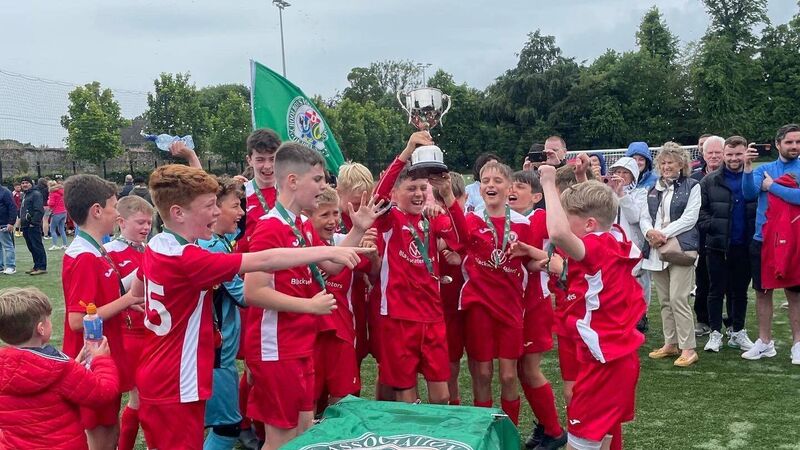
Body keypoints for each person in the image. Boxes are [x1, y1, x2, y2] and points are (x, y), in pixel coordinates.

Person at [133, 162, 368, 450]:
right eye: (209, 206)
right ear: (178, 213)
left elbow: (135, 289)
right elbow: (263, 262)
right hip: (176, 378)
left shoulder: (158, 244)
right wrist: (329, 249)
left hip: (164, 370)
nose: (217, 212)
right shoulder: (187, 258)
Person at [242, 142, 384, 450]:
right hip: (276, 348)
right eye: (318, 180)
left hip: (299, 342)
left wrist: (357, 230)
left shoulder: (302, 224)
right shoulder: (270, 227)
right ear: (293, 181)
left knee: (304, 431)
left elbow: (332, 265)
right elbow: (253, 292)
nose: (324, 186)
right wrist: (310, 305)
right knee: (281, 438)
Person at [530, 164, 645, 450]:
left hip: (603, 362)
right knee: (603, 438)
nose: (566, 224)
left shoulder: (595, 246)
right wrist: (583, 180)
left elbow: (557, 233)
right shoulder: (616, 237)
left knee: (580, 444)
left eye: (571, 219)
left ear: (590, 225)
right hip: (619, 356)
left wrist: (548, 181)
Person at [370, 131, 468, 407]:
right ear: (395, 193)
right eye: (410, 188)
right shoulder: (389, 218)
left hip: (432, 317)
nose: (417, 194)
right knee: (405, 393)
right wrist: (406, 152)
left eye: (422, 188)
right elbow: (378, 194)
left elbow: (462, 242)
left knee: (441, 395)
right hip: (399, 317)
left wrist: (448, 196)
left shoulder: (431, 220)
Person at [61, 174, 144, 449]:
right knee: (102, 435)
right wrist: (129, 297)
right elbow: (76, 320)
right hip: (92, 362)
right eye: (113, 206)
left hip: (105, 356)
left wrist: (127, 294)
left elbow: (99, 299)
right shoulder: (85, 256)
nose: (116, 212)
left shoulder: (96, 250)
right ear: (97, 211)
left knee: (111, 428)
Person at [459, 161, 535, 426]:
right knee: (481, 372)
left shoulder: (524, 223)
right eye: (485, 180)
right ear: (479, 188)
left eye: (497, 181)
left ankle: (508, 431)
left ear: (509, 187)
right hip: (478, 304)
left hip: (511, 306)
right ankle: (485, 429)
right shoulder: (470, 220)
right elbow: (453, 245)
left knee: (508, 376)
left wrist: (545, 259)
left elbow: (532, 262)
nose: (491, 185)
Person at [0, 287, 120, 450]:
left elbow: (32, 374)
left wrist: (75, 364)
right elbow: (102, 392)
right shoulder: (62, 369)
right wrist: (102, 360)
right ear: (41, 328)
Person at [507, 170, 567, 450]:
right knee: (520, 370)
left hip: (535, 303)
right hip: (514, 304)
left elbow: (552, 257)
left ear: (536, 196)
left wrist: (530, 253)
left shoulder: (540, 218)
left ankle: (555, 431)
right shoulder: (504, 218)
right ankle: (546, 424)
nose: (512, 190)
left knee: (530, 368)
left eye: (520, 187)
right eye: (512, 185)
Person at [309, 186, 380, 413]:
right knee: (308, 400)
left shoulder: (345, 240)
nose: (332, 221)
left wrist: (373, 254)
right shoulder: (300, 245)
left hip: (341, 332)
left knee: (343, 398)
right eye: (324, 215)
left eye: (335, 214)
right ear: (308, 217)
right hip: (310, 332)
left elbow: (373, 272)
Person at [741, 123, 800, 363]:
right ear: (778, 144)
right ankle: (765, 342)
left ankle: (798, 344)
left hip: (795, 241)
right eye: (789, 142)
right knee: (762, 292)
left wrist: (771, 186)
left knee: (795, 295)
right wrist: (746, 167)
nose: (794, 146)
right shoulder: (763, 168)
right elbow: (748, 194)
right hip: (763, 240)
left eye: (798, 142)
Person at [196, 177, 247, 449]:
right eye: (236, 206)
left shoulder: (219, 241)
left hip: (212, 352)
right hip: (217, 353)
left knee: (208, 423)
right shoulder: (214, 248)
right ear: (215, 209)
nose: (241, 213)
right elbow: (244, 296)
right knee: (227, 428)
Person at [641, 143, 701, 367]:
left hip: (681, 248)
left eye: (671, 162)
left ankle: (688, 348)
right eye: (663, 163)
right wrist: (650, 233)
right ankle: (671, 343)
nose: (666, 167)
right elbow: (644, 216)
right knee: (665, 300)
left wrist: (662, 234)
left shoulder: (693, 185)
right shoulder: (652, 189)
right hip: (656, 249)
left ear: (681, 164)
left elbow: (690, 218)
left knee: (678, 298)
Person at [102, 195, 153, 450]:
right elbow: (109, 294)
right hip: (127, 333)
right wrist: (138, 275)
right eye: (140, 222)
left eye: (149, 223)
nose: (146, 228)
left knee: (143, 398)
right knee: (139, 398)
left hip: (151, 331)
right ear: (121, 222)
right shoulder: (110, 251)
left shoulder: (149, 248)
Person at [698, 136, 757, 353]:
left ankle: (737, 331)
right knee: (715, 290)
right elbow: (701, 214)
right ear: (723, 154)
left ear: (745, 154)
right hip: (716, 246)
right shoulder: (709, 181)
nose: (733, 158)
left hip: (745, 244)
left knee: (740, 291)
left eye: (738, 154)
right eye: (729, 154)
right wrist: (714, 226)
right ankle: (715, 333)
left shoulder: (753, 177)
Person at [432, 172, 467, 406]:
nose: (445, 206)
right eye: (440, 201)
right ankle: (448, 405)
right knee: (443, 364)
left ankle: (456, 407)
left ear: (464, 198)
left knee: (463, 364)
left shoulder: (469, 223)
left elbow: (466, 240)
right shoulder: (431, 224)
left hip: (462, 307)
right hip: (439, 308)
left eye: (451, 200)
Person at [691, 135, 724, 337]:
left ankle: (729, 322)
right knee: (703, 281)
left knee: (727, 283)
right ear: (703, 154)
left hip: (726, 237)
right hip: (702, 238)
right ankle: (703, 320)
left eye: (717, 152)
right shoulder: (694, 178)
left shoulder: (734, 175)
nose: (713, 156)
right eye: (709, 152)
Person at [240, 128, 281, 253]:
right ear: (249, 160)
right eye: (260, 160)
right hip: (253, 268)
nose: (267, 166)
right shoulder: (241, 195)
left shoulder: (293, 191)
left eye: (272, 159)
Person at [19, 176, 47, 275]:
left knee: (37, 245)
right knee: (31, 246)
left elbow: (39, 210)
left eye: (26, 183)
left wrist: (33, 223)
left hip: (32, 225)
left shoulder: (36, 194)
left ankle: (42, 267)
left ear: (31, 184)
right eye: (22, 183)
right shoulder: (24, 195)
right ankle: (36, 266)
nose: (24, 185)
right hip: (25, 225)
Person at [0, 184, 17, 274]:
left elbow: (12, 207)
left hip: (4, 224)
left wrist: (11, 222)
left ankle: (11, 266)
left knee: (8, 246)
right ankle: (0, 267)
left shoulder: (5, 192)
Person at [48, 179, 68, 250]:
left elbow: (51, 203)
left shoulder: (52, 193)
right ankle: (65, 244)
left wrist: (48, 202)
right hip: (64, 212)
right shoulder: (62, 192)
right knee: (61, 229)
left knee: (52, 229)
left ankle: (55, 245)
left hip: (56, 212)